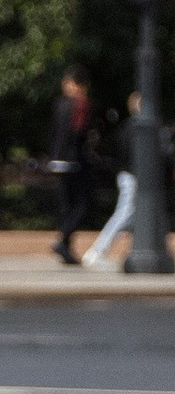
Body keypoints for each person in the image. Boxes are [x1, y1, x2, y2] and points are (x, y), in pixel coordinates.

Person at [80, 99, 140, 269]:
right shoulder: (135, 128)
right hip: (133, 177)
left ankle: (159, 250)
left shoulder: (127, 127)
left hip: (130, 175)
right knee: (124, 213)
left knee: (147, 215)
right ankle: (97, 251)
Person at [45, 70, 92, 267]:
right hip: (73, 161)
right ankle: (63, 239)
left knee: (66, 206)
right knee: (82, 204)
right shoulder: (80, 104)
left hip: (57, 160)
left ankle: (65, 247)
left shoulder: (60, 104)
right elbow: (79, 131)